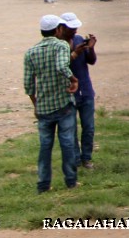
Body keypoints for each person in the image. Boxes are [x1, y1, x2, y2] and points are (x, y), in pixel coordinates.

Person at [23, 15, 79, 192]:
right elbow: (62, 66)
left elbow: (28, 84)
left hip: (44, 108)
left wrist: (36, 105)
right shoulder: (61, 45)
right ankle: (71, 180)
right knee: (67, 143)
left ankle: (43, 184)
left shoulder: (31, 52)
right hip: (63, 104)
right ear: (58, 30)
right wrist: (73, 80)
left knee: (45, 147)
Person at [59, 12, 98, 169]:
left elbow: (92, 60)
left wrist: (91, 48)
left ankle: (86, 158)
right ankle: (75, 159)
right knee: (71, 128)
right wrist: (75, 53)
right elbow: (61, 66)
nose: (74, 31)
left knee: (88, 127)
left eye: (75, 28)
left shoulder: (78, 39)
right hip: (68, 91)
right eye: (71, 28)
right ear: (61, 28)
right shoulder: (58, 45)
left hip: (85, 89)